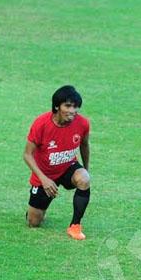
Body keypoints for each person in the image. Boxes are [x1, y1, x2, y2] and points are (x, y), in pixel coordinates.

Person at [23, 85, 91, 240]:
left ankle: (75, 226)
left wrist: (86, 169)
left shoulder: (82, 123)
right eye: (67, 106)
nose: (72, 111)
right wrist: (44, 180)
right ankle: (36, 210)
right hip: (45, 174)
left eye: (75, 107)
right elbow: (27, 155)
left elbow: (84, 145)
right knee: (33, 222)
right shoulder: (41, 124)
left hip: (68, 168)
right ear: (56, 106)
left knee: (84, 178)